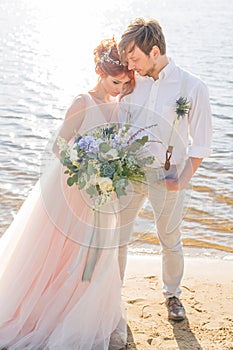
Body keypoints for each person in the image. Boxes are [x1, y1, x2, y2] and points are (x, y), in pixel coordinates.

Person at [0, 37, 135, 349]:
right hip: (72, 188)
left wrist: (114, 168)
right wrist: (85, 169)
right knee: (59, 253)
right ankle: (46, 312)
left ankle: (80, 312)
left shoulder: (116, 106)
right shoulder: (82, 103)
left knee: (95, 254)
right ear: (101, 73)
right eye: (116, 82)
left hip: (101, 191)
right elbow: (58, 145)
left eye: (125, 84)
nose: (119, 89)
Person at [117, 17, 212, 321]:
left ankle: (172, 295)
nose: (131, 66)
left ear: (154, 51)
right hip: (131, 172)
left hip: (168, 175)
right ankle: (110, 292)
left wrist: (183, 179)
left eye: (135, 58)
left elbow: (202, 142)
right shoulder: (132, 84)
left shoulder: (193, 87)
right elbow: (120, 125)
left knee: (169, 237)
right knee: (117, 235)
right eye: (127, 60)